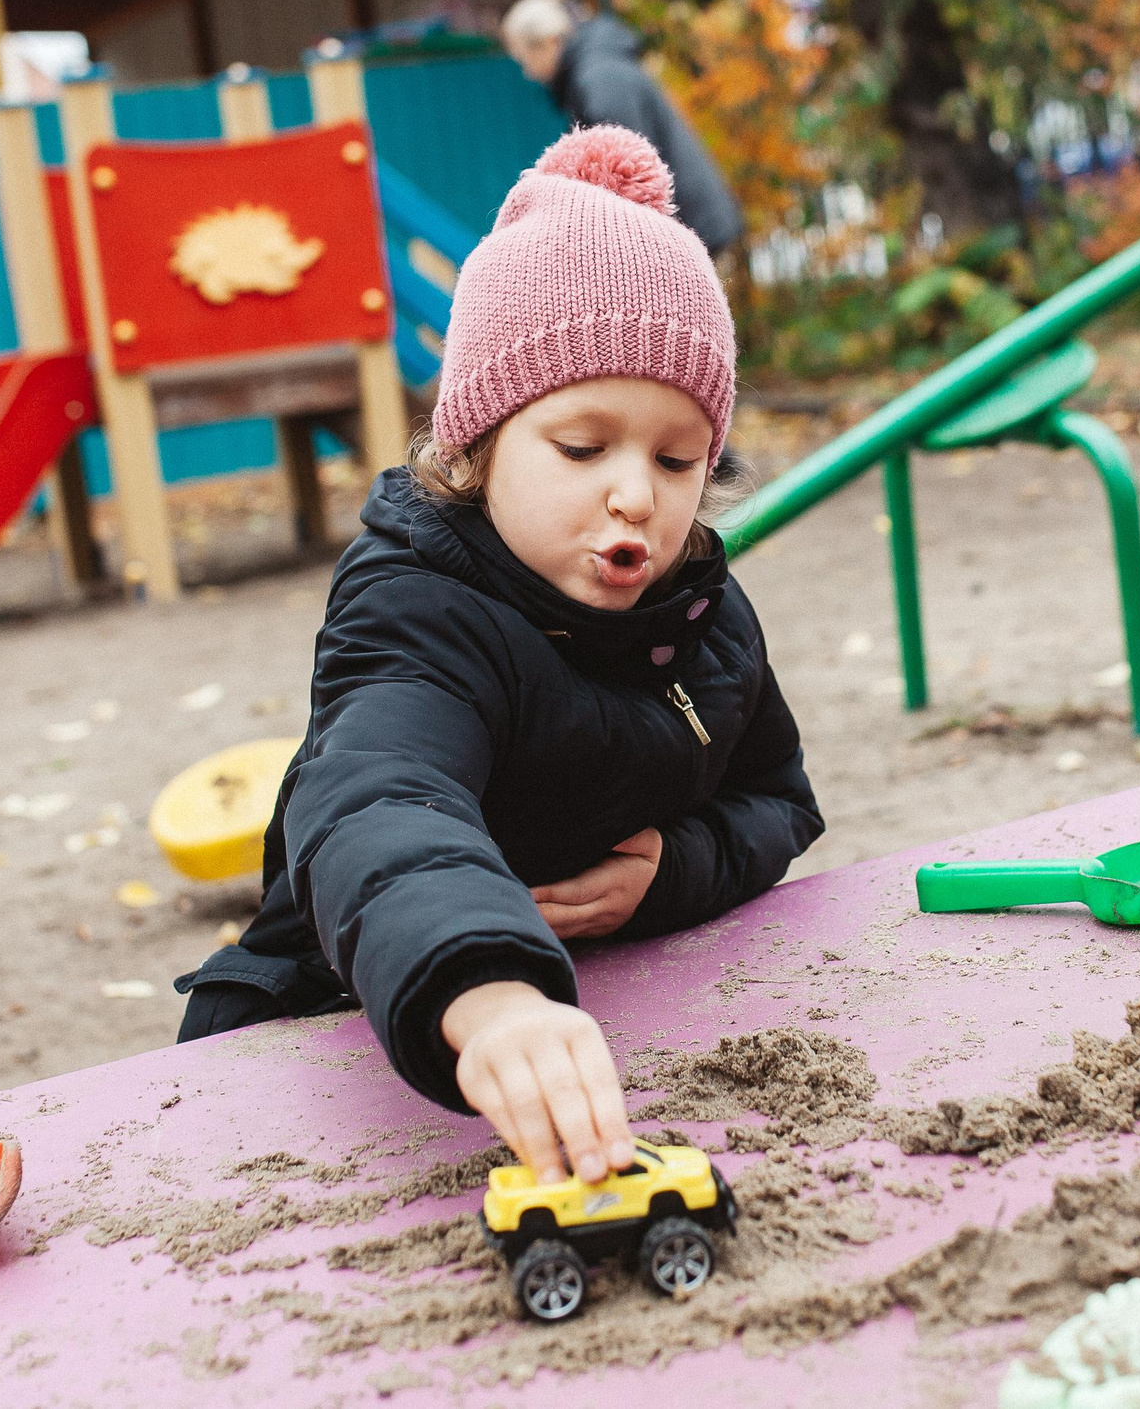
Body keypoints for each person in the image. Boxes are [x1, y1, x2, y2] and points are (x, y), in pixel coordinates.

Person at [175, 124, 820, 1187]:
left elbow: (776, 800)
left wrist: (665, 871)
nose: (635, 494)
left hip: (597, 1018)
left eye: (675, 458)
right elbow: (379, 806)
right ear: (476, 448)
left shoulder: (702, 611)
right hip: (334, 1023)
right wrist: (487, 989)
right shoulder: (416, 610)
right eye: (581, 446)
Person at [502, 0, 746, 259]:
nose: (528, 73)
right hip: (690, 224)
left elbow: (624, 176)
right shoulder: (597, 69)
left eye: (525, 59)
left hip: (690, 229)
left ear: (549, 41)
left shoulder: (599, 79)